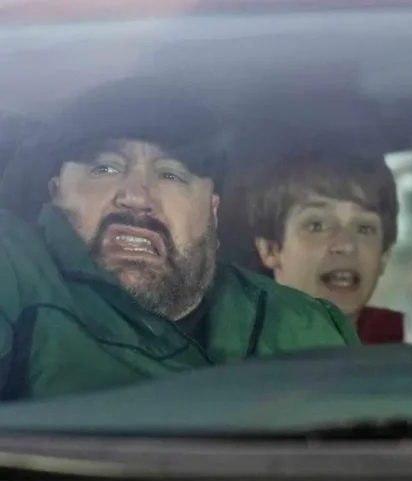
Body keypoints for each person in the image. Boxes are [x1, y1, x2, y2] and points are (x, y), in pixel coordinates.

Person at [0, 77, 360, 400]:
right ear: (57, 192)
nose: (137, 197)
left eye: (171, 174)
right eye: (105, 168)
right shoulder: (15, 271)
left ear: (212, 212)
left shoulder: (306, 326)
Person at [238, 146, 404, 344]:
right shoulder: (230, 356)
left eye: (364, 228)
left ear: (384, 256)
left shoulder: (401, 354)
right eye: (317, 226)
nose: (346, 245)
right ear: (270, 249)